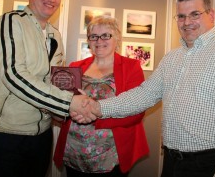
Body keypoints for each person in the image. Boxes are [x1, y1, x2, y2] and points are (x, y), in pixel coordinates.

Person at [72, 0, 215, 177]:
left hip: (209, 164)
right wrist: (97, 107)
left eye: (195, 14)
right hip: (171, 162)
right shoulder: (172, 58)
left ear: (211, 15)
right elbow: (143, 95)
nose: (187, 22)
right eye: (181, 16)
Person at [0, 0, 91, 177]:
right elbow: (14, 75)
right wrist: (68, 103)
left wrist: (61, 110)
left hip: (41, 135)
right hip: (3, 133)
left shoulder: (55, 34)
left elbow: (53, 81)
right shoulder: (11, 22)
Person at [53, 15, 149, 177]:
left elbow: (137, 112)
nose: (99, 41)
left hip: (111, 156)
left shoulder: (131, 67)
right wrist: (66, 111)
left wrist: (94, 115)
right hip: (75, 153)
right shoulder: (75, 66)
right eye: (94, 36)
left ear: (116, 38)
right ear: (89, 41)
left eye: (106, 35)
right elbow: (61, 106)